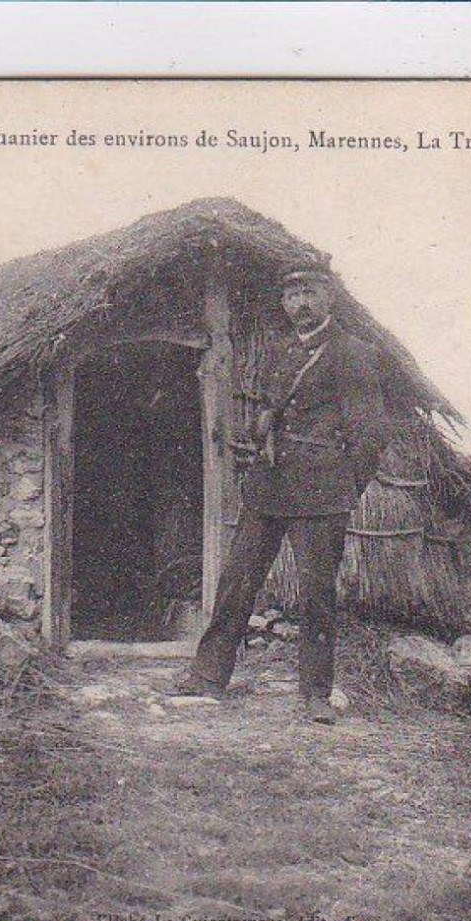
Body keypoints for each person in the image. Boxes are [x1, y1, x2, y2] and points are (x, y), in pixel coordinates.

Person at [176, 263, 391, 724]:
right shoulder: (279, 351)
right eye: (292, 297)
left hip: (321, 488)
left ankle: (316, 693)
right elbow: (270, 410)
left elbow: (370, 433)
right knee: (237, 578)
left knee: (316, 593)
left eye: (309, 294)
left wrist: (345, 486)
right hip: (270, 484)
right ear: (283, 303)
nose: (301, 305)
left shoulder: (354, 354)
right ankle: (209, 676)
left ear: (329, 297)